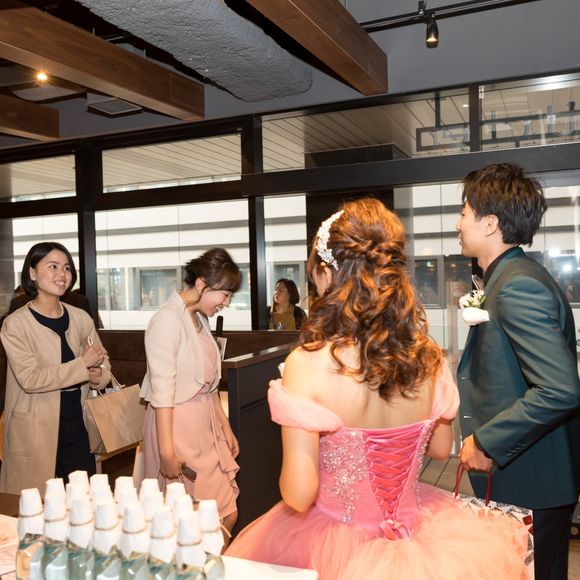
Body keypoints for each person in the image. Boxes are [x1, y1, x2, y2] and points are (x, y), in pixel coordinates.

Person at [226, 199, 528, 579]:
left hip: (331, 544)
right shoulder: (427, 356)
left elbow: (299, 495)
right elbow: (439, 449)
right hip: (418, 539)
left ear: (326, 274)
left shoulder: (307, 363)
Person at [456, 163, 580, 580]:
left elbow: (560, 389)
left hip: (531, 482)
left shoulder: (517, 285)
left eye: (464, 213)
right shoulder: (508, 278)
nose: (458, 224)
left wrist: (486, 440)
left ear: (490, 224)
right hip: (532, 479)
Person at [140, 248, 241, 532]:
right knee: (188, 522)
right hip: (176, 426)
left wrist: (225, 427)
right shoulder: (167, 320)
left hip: (205, 425)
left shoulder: (198, 318)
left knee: (225, 513)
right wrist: (167, 452)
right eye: (225, 294)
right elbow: (162, 392)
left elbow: (209, 384)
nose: (226, 303)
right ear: (201, 284)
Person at [0, 242, 110, 493]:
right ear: (32, 273)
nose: (62, 274)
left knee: (82, 503)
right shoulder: (15, 325)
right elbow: (30, 379)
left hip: (79, 428)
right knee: (36, 508)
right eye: (53, 266)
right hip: (34, 431)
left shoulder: (81, 318)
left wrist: (97, 375)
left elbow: (103, 362)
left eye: (67, 268)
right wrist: (82, 365)